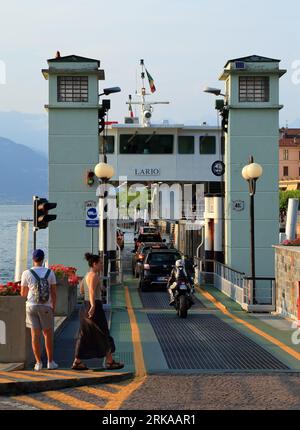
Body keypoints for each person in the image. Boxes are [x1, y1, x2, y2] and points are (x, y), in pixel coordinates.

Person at [72, 253, 124, 371]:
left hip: (84, 307)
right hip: (94, 307)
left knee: (85, 334)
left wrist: (99, 289)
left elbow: (81, 290)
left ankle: (77, 361)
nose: (102, 265)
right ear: (94, 264)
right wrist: (93, 305)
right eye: (100, 263)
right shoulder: (94, 275)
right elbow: (90, 291)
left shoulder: (87, 275)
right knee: (104, 332)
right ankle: (110, 362)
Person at [21, 249, 58, 371]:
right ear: (43, 259)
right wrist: (54, 307)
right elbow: (53, 292)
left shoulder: (26, 273)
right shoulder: (50, 273)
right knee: (47, 335)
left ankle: (38, 363)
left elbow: (23, 294)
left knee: (35, 335)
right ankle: (50, 362)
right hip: (46, 306)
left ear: (33, 259)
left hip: (31, 306)